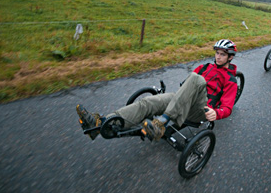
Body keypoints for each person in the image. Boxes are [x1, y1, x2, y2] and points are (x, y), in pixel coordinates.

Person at [76, 39, 239, 141]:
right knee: (147, 102)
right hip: (182, 100)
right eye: (217, 53)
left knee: (196, 78)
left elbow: (227, 107)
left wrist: (217, 113)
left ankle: (162, 123)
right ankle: (101, 124)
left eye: (223, 55)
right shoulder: (204, 67)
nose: (218, 57)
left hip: (200, 110)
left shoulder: (230, 80)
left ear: (230, 57)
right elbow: (185, 85)